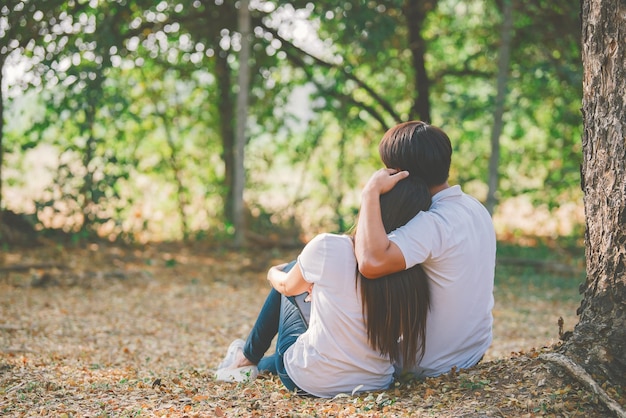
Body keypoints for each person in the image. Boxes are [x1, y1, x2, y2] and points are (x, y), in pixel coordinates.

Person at [214, 177, 431, 398]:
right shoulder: (415, 268)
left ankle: (246, 359)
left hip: (308, 381)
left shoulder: (328, 246)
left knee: (291, 270)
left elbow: (286, 286)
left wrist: (272, 272)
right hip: (374, 382)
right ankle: (255, 363)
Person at [355, 120, 496, 377]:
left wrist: (370, 194)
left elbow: (370, 263)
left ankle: (260, 362)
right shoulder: (475, 208)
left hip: (430, 363)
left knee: (294, 288)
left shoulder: (434, 223)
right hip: (473, 352)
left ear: (400, 173)